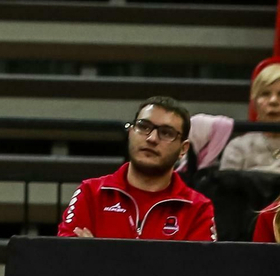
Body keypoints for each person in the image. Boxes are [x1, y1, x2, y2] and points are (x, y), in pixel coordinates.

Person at [58, 97, 215, 239]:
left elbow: (198, 269)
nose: (152, 138)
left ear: (183, 149)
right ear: (130, 133)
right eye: (143, 126)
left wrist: (98, 254)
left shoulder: (198, 209)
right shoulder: (90, 193)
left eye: (166, 133)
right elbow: (69, 259)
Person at [218, 62, 280, 173]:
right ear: (254, 102)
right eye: (265, 94)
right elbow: (226, 188)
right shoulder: (238, 147)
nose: (273, 101)